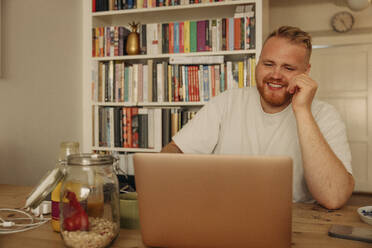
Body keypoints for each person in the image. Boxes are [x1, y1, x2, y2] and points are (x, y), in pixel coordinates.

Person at [161, 26, 354, 210]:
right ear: (258, 62)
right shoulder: (227, 102)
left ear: (306, 72)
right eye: (268, 64)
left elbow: (333, 196)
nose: (275, 75)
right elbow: (174, 152)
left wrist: (303, 110)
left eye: (288, 68)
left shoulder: (325, 115)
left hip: (294, 222)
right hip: (223, 212)